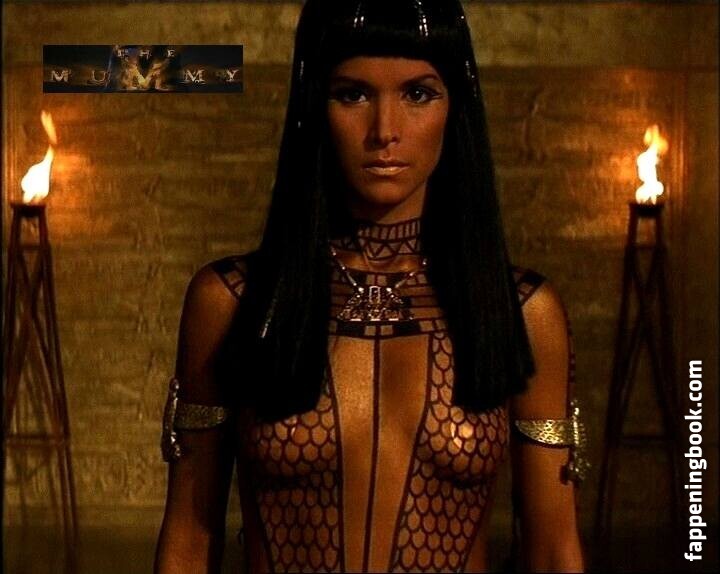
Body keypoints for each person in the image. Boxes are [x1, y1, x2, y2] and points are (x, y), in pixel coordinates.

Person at [154, 1, 587, 572]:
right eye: (353, 94)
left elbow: (555, 551)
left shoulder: (521, 311)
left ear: (455, 106)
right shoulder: (234, 301)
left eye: (418, 94)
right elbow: (188, 537)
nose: (385, 131)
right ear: (315, 105)